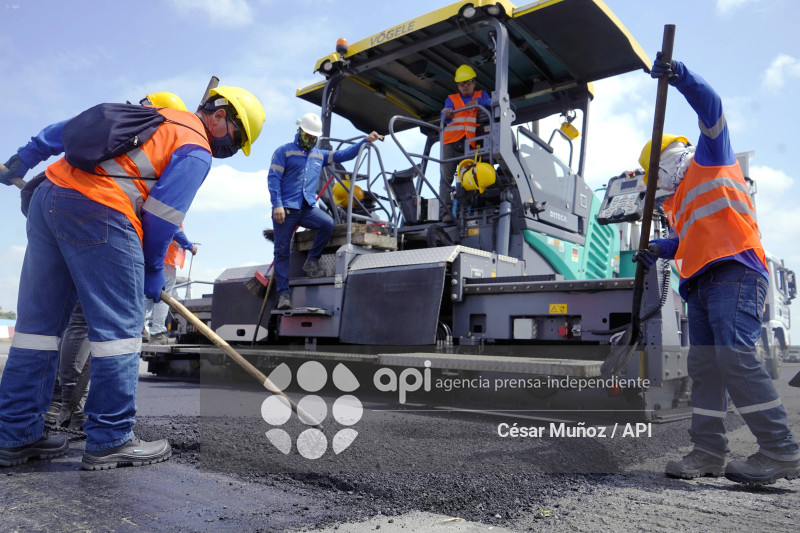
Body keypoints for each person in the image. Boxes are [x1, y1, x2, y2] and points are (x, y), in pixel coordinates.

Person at [0, 85, 265, 469]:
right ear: (221, 116)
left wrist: (21, 160)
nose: (230, 147)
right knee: (119, 332)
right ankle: (111, 437)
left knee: (36, 330)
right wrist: (154, 269)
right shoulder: (196, 147)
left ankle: (16, 433)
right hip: (99, 209)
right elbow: (162, 215)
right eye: (237, 138)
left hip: (49, 198)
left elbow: (63, 131)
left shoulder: (152, 118)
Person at [633, 54, 800, 485]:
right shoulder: (676, 203)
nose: (656, 185)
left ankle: (781, 451)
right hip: (701, 284)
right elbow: (690, 240)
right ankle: (707, 452)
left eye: (655, 175)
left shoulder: (711, 157)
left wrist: (681, 76)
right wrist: (658, 248)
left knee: (736, 358)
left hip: (736, 273)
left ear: (668, 161)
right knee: (705, 368)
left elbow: (712, 107)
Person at [268, 113, 383, 311]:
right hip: (285, 209)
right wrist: (276, 204)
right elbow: (273, 179)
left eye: (314, 136)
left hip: (307, 208)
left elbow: (343, 155)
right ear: (300, 131)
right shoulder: (284, 152)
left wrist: (364, 140)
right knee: (282, 251)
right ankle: (284, 294)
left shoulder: (318, 154)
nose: (311, 139)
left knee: (327, 223)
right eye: (308, 135)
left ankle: (311, 261)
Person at [439, 64, 492, 222]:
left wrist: (478, 100)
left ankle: (465, 210)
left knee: (469, 177)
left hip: (468, 143)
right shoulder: (451, 99)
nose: (466, 86)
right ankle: (445, 213)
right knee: (445, 179)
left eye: (468, 82)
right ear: (458, 86)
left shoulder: (481, 94)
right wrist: (447, 114)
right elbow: (445, 115)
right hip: (450, 143)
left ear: (474, 83)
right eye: (462, 84)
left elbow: (490, 102)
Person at [144, 226, 197, 345]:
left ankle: (140, 329)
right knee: (164, 294)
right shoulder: (172, 208)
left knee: (149, 293)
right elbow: (174, 228)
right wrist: (190, 246)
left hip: (151, 255)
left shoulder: (151, 208)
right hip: (165, 257)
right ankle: (157, 333)